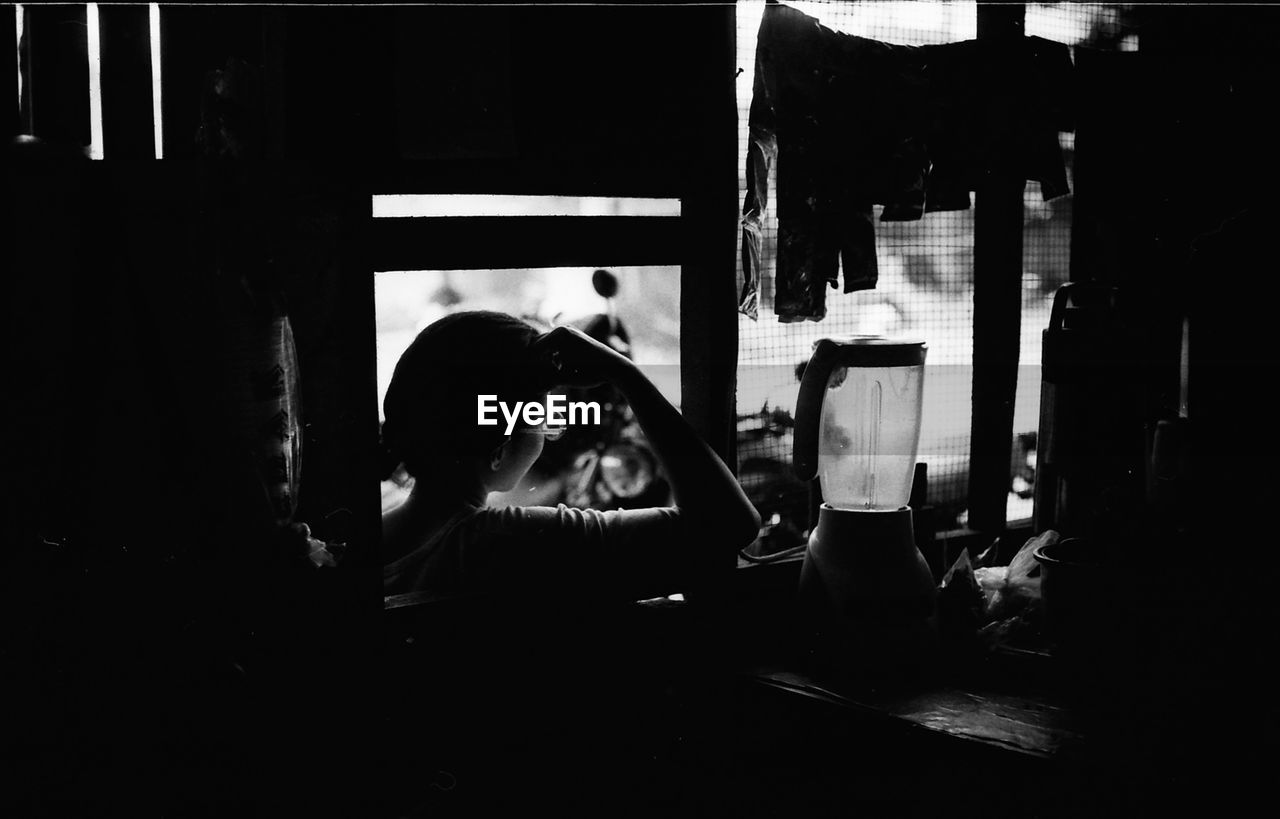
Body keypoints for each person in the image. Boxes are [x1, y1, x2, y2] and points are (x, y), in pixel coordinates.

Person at [381, 311, 760, 601]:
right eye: (542, 418)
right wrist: (624, 375)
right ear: (497, 451)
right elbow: (728, 526)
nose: (549, 430)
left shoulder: (367, 533)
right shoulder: (515, 541)